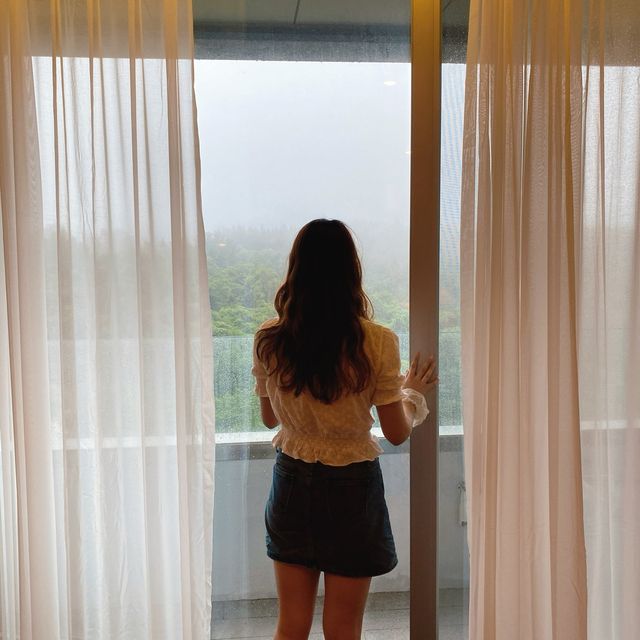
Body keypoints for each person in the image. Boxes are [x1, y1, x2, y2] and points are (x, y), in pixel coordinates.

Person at [251, 219, 438, 640]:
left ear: (295, 270)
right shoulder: (377, 341)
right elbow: (396, 432)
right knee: (342, 628)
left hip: (291, 481)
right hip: (351, 488)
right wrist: (410, 393)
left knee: (291, 624)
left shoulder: (269, 338)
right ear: (351, 271)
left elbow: (269, 418)